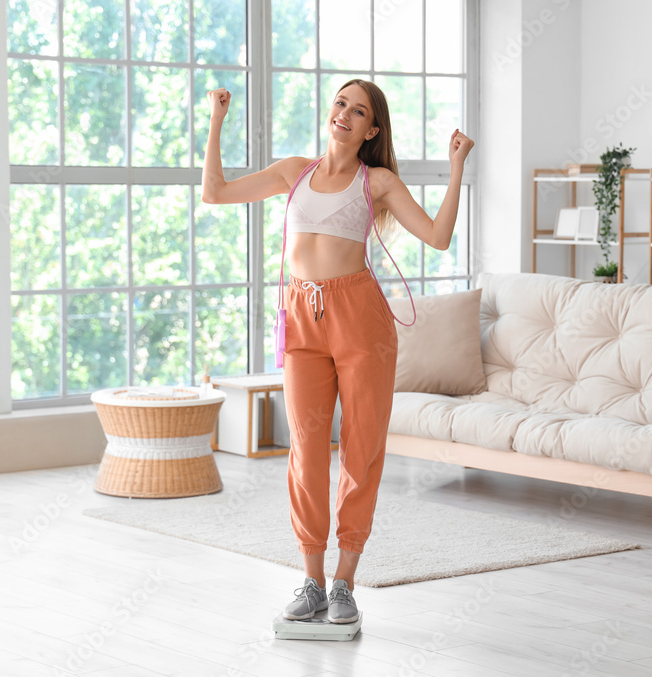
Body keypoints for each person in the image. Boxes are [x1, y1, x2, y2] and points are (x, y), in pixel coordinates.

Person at [201, 79, 473, 624]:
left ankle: (345, 582)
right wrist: (216, 120)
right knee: (304, 448)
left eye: (358, 110)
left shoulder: (377, 182)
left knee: (361, 447)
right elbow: (216, 192)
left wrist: (456, 166)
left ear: (372, 130)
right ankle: (312, 580)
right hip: (301, 316)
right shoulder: (293, 172)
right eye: (339, 103)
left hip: (360, 318)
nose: (344, 114)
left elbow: (439, 238)